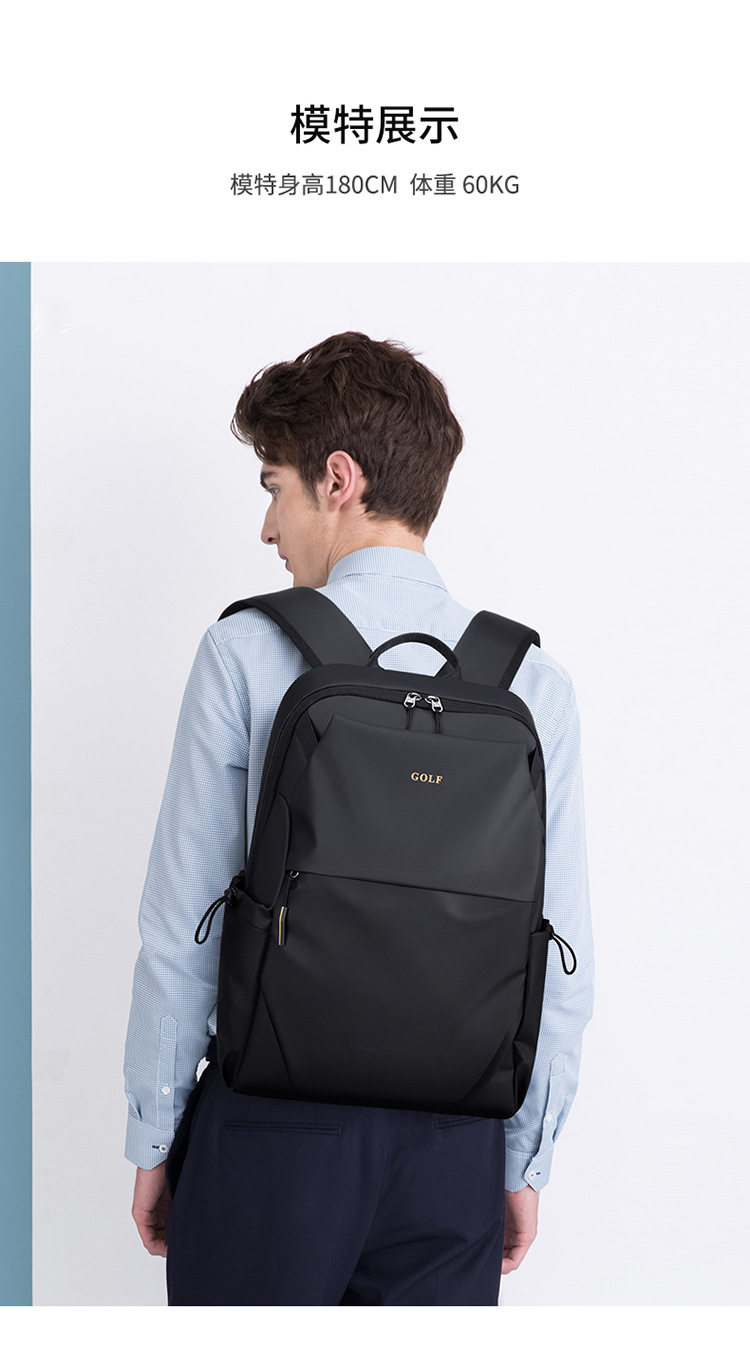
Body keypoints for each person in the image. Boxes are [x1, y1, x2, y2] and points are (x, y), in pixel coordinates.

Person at [123, 330, 594, 1305]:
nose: (268, 528)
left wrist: (155, 1136)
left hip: (271, 1134)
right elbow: (561, 957)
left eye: (275, 487)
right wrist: (522, 1159)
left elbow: (182, 929)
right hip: (454, 1148)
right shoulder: (532, 681)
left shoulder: (247, 651)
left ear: (338, 479)